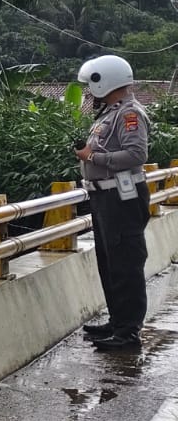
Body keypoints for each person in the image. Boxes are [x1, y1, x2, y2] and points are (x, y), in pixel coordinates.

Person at [74, 54, 150, 351]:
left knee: (126, 262)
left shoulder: (129, 113)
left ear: (103, 80)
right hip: (105, 195)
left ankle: (128, 332)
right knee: (109, 261)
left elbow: (135, 155)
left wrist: (93, 157)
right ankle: (118, 321)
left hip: (121, 196)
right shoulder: (110, 112)